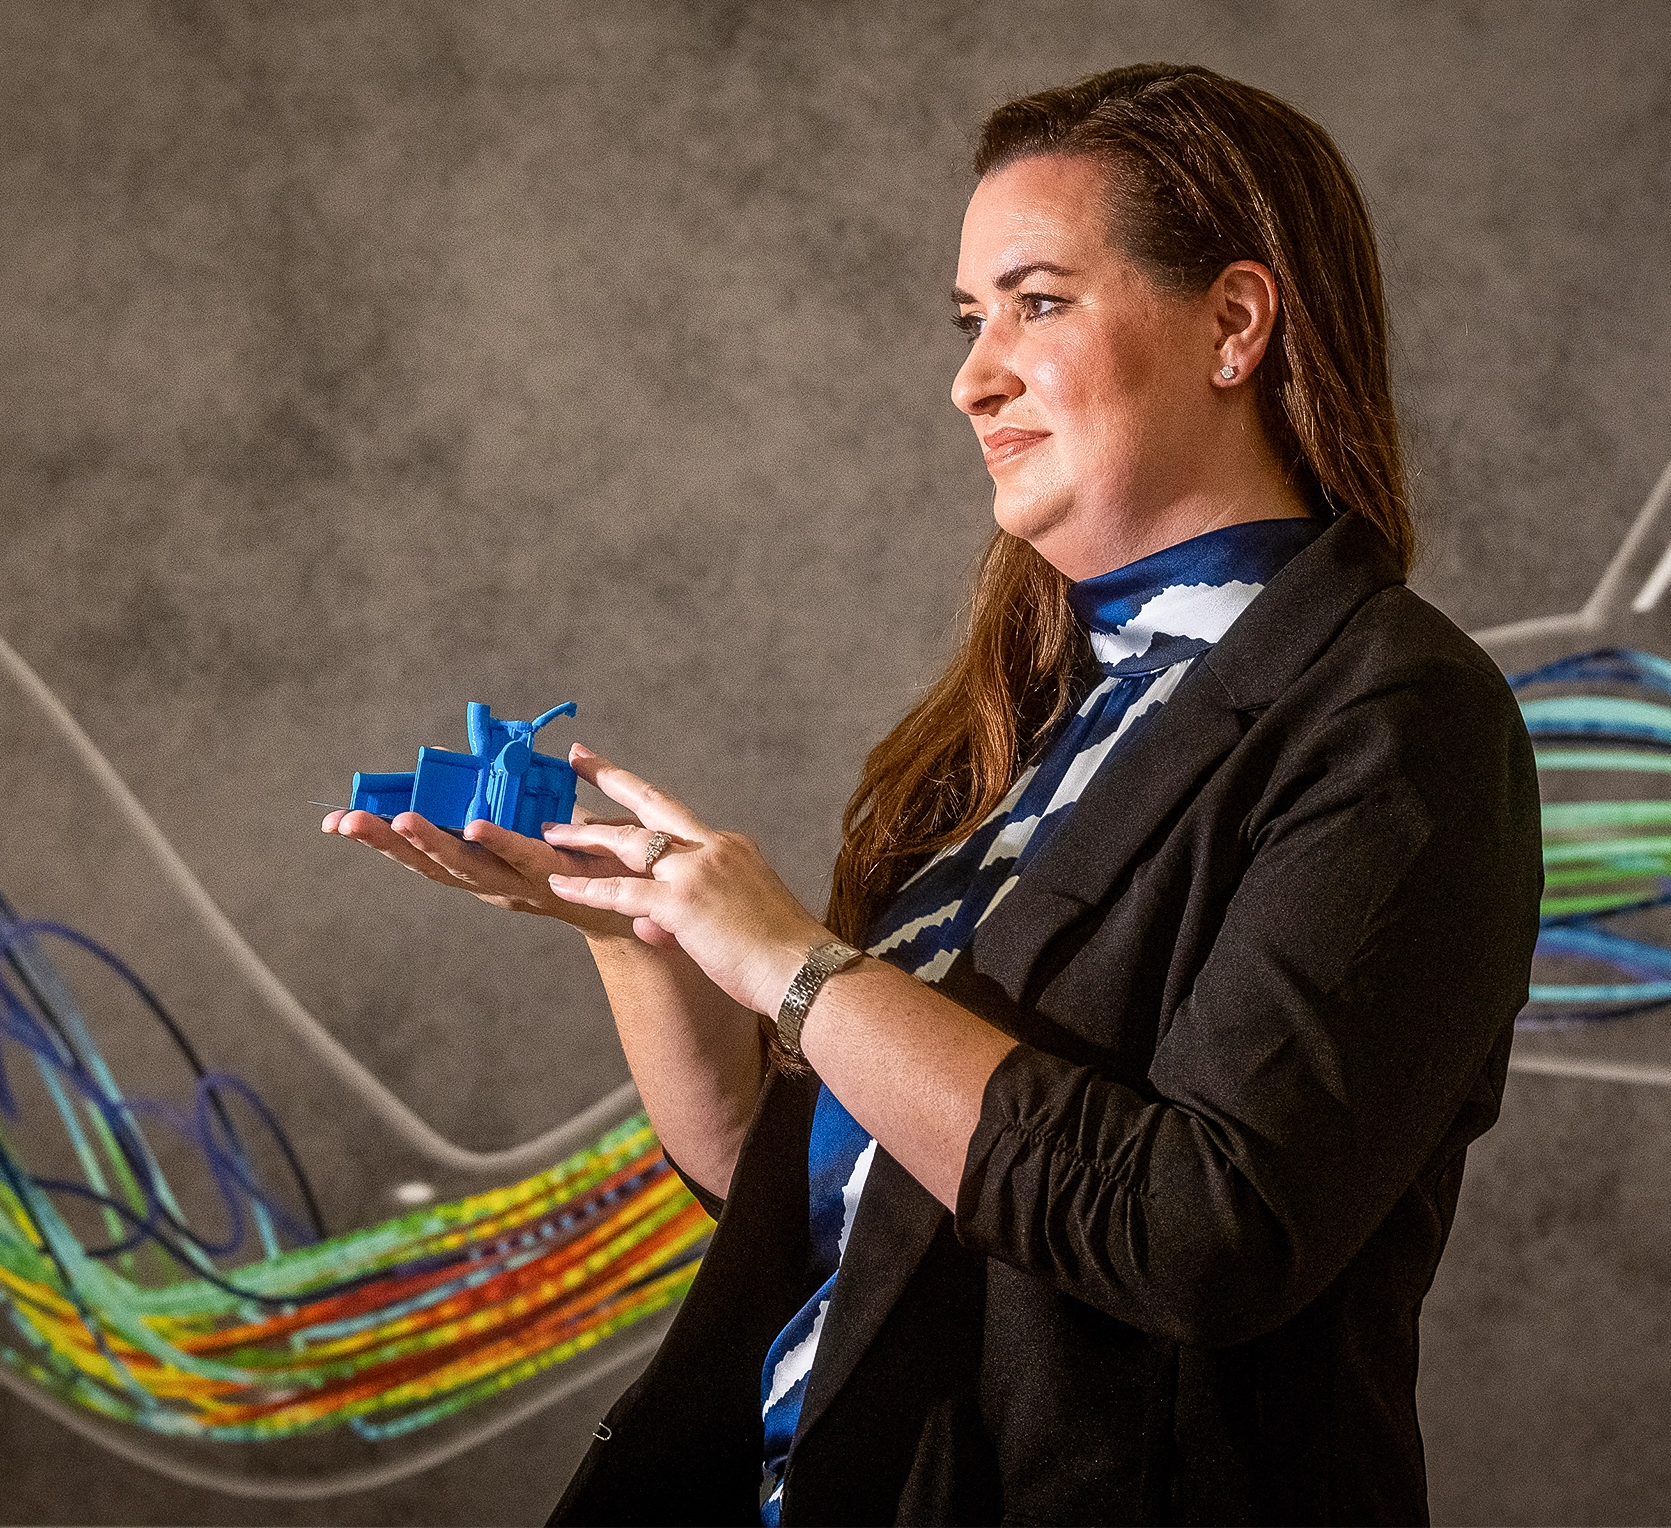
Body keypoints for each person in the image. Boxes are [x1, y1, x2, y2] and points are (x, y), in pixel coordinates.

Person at [326, 62, 1540, 1527]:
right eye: (971, 321)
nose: (971, 376)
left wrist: (791, 965)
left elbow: (1194, 1235)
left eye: (1035, 301)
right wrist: (638, 925)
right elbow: (861, 1202)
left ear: (1233, 322)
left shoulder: (1396, 719)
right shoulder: (1021, 723)